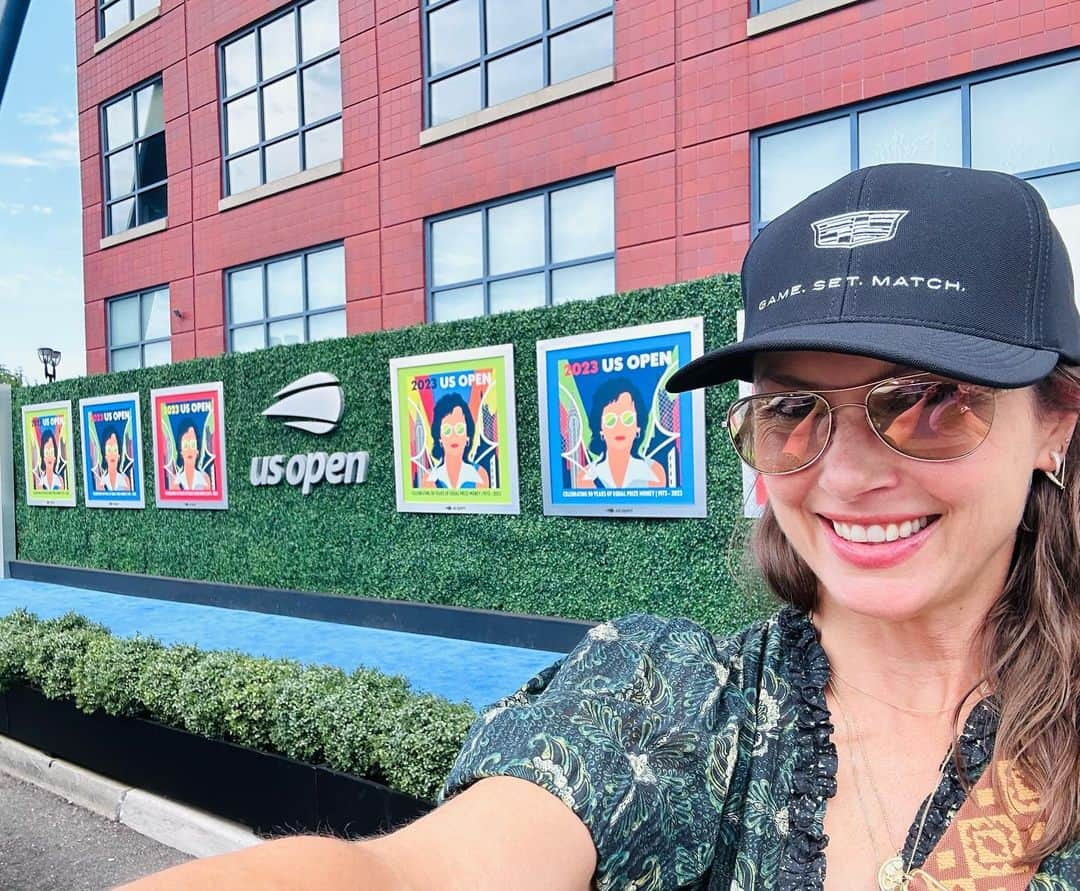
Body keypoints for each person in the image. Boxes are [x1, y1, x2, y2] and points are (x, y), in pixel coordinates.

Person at [121, 163, 1080, 890]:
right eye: (793, 411)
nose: (850, 472)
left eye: (925, 402)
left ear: (1055, 422)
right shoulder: (672, 700)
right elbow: (422, 871)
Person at [577, 377, 666, 489]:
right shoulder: (585, 477)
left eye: (627, 418)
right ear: (600, 429)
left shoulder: (655, 472)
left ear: (638, 426)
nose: (619, 427)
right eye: (610, 420)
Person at [423, 393, 490, 490]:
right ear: (440, 438)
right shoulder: (429, 478)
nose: (454, 436)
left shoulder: (480, 475)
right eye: (447, 430)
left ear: (467, 436)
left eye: (459, 429)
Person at [167, 421, 212, 491]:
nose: (189, 450)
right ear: (181, 451)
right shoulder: (175, 482)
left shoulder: (205, 479)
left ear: (197, 450)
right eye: (185, 445)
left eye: (192, 444)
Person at [94, 425, 132, 492]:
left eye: (115, 450)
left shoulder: (125, 480)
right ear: (105, 455)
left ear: (119, 455)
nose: (112, 454)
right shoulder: (100, 483)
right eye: (109, 450)